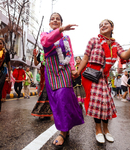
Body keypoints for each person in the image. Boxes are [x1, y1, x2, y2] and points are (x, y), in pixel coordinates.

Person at [77, 19, 130, 143]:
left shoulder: (115, 45)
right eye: (100, 25)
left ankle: (106, 130)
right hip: (91, 77)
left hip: (103, 79)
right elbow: (85, 58)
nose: (103, 26)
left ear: (112, 27)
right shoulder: (93, 40)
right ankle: (98, 130)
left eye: (106, 24)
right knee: (97, 104)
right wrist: (77, 72)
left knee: (106, 104)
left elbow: (125, 56)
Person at [40, 12, 84, 147]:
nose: (55, 20)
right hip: (51, 70)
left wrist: (73, 69)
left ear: (61, 22)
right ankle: (66, 127)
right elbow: (46, 42)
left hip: (64, 69)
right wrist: (61, 30)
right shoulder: (44, 34)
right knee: (57, 100)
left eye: (57, 19)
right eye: (52, 19)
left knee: (63, 97)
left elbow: (70, 54)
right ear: (49, 23)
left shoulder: (66, 38)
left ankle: (63, 132)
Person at [31, 49, 53, 119]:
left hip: (52, 74)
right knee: (43, 92)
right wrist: (34, 56)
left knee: (49, 93)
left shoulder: (53, 51)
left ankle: (48, 112)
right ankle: (41, 111)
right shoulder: (41, 53)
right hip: (44, 75)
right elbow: (36, 63)